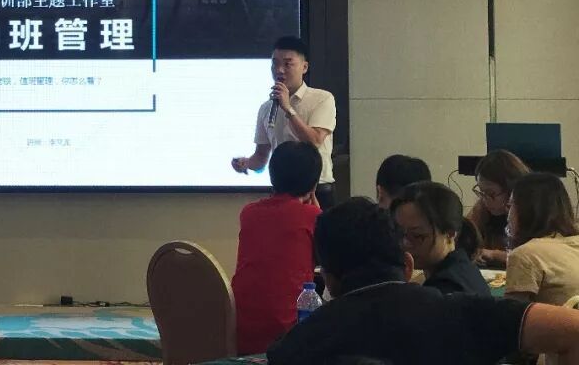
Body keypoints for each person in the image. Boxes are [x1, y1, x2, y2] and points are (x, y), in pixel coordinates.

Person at [268, 197, 579, 365]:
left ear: (329, 280)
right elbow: (573, 329)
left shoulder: (297, 345)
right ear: (407, 265)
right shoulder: (463, 312)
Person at [232, 141, 322, 354]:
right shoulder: (312, 216)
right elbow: (325, 260)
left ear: (272, 175)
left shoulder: (248, 213)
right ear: (313, 185)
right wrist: (319, 214)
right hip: (288, 337)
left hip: (240, 331)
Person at [231, 36, 337, 209]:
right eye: (275, 64)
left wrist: (288, 109)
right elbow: (261, 157)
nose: (279, 70)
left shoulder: (322, 99)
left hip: (316, 192)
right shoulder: (266, 108)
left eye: (288, 64)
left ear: (304, 67)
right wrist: (246, 163)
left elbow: (315, 140)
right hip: (281, 194)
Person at [391, 181, 489, 296]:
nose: (405, 243)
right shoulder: (463, 268)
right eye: (399, 233)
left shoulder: (446, 289)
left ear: (450, 233)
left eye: (417, 236)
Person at [506, 173, 579, 305]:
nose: (508, 215)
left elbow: (512, 314)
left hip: (558, 319)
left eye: (510, 205)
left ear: (525, 210)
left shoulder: (525, 255)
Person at [469, 150, 530, 267]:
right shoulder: (482, 206)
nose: (485, 200)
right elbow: (463, 238)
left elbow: (534, 257)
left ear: (511, 189)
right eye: (481, 192)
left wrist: (495, 255)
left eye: (491, 194)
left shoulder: (534, 211)